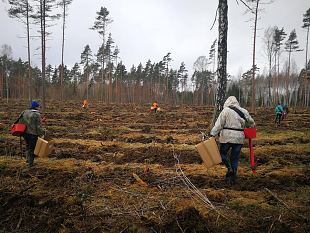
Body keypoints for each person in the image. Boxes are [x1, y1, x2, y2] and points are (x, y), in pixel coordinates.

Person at [210, 96, 255, 185]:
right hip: (239, 138)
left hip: (226, 137)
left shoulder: (225, 111)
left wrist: (212, 134)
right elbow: (251, 123)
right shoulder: (244, 111)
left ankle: (229, 168)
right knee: (234, 159)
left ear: (227, 102)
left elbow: (219, 125)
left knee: (221, 154)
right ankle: (232, 178)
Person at [18, 101, 44, 167]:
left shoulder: (24, 112)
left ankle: (27, 160)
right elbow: (38, 126)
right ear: (36, 107)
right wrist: (42, 133)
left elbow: (20, 121)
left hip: (25, 133)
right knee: (32, 148)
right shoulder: (37, 114)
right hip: (33, 134)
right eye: (38, 107)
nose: (39, 108)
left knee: (27, 146)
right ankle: (30, 164)